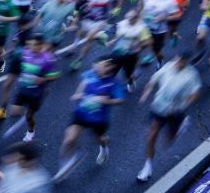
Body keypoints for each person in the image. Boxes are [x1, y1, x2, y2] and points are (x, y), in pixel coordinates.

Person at [55, 57, 128, 181]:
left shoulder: (114, 82)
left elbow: (121, 100)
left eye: (100, 66)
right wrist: (79, 94)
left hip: (98, 119)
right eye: (96, 65)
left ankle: (104, 147)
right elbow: (84, 83)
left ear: (110, 67)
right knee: (69, 140)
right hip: (81, 114)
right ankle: (64, 165)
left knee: (99, 139)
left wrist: (107, 100)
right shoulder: (90, 74)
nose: (96, 68)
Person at [137, 52, 201, 183]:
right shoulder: (168, 66)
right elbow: (153, 79)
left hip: (175, 111)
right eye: (177, 60)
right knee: (151, 136)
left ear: (186, 62)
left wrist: (184, 105)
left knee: (168, 141)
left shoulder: (191, 75)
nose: (177, 63)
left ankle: (181, 126)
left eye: (181, 61)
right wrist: (146, 93)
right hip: (159, 107)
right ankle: (147, 167)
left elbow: (196, 93)